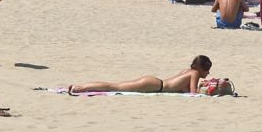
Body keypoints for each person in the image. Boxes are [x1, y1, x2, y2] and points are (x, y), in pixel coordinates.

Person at [68, 55, 224, 94]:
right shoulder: (195, 74)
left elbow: (182, 87)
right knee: (113, 87)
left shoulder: (188, 71)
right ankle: (79, 88)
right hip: (155, 85)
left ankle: (80, 87)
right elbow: (193, 93)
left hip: (154, 82)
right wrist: (209, 90)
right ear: (201, 68)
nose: (208, 72)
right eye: (207, 69)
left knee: (114, 85)